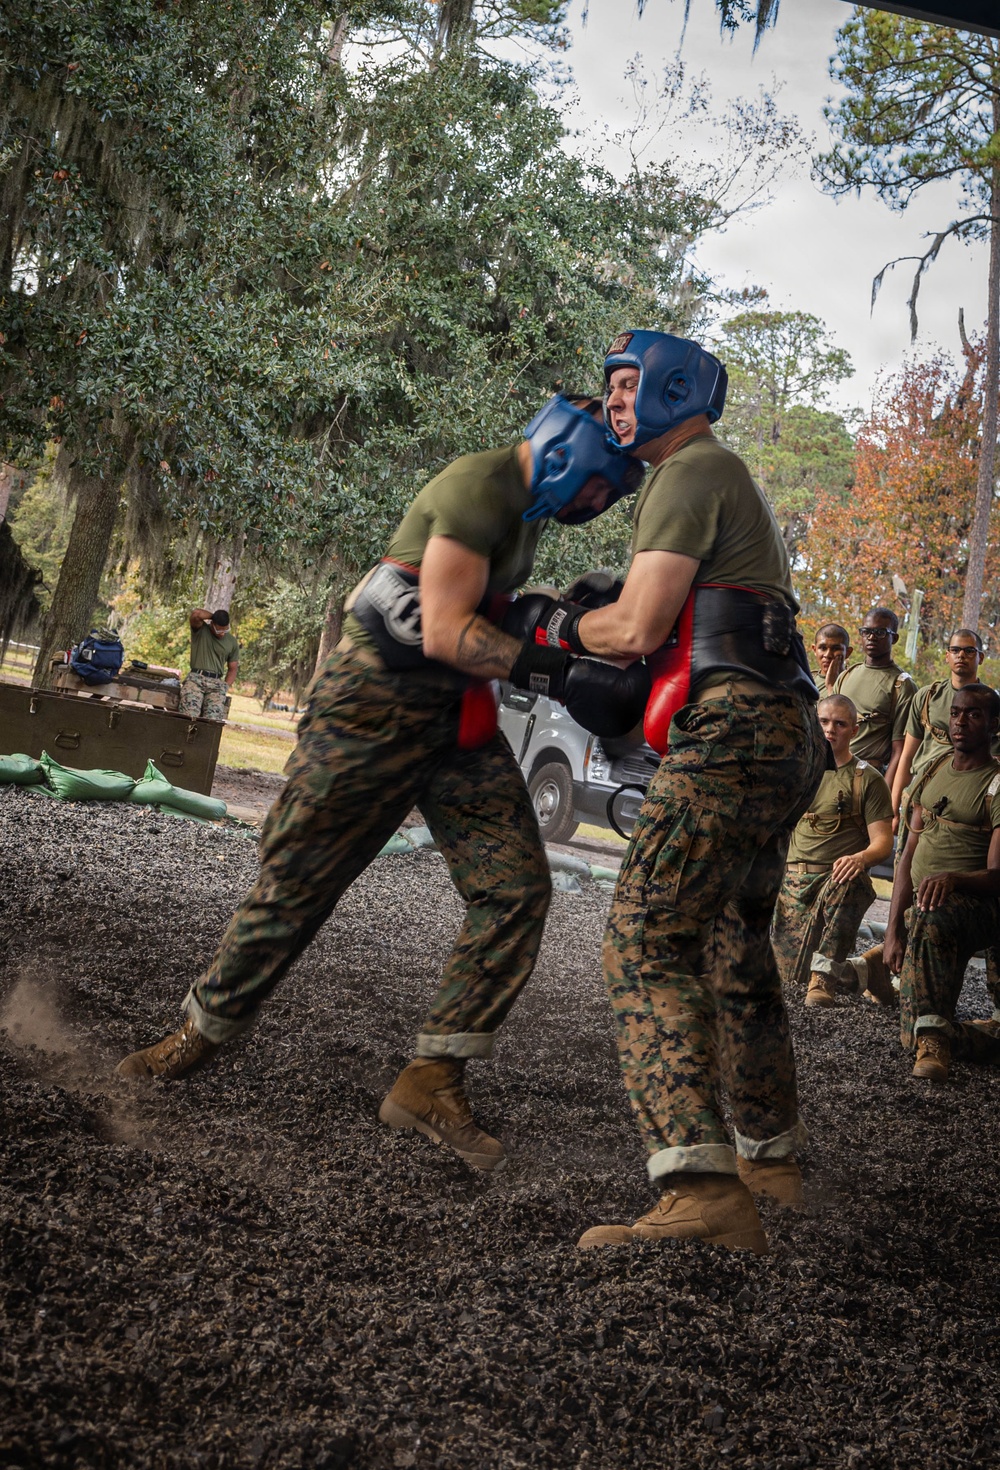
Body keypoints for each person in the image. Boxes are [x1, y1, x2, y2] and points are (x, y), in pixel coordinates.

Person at [117, 395, 647, 1173]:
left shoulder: (528, 511)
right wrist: (555, 667)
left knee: (516, 888)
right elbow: (439, 628)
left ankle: (430, 1079)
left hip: (454, 720)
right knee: (297, 884)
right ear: (572, 451)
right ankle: (196, 1035)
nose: (602, 500)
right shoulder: (480, 485)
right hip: (374, 705)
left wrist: (559, 621)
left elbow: (480, 610)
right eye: (605, 482)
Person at [505, 330, 826, 1254]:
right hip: (783, 729)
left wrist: (557, 628)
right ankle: (770, 1161)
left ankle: (698, 1188)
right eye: (608, 388)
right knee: (732, 943)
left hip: (734, 729)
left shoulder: (687, 472)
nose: (613, 401)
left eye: (625, 384)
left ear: (675, 388)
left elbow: (639, 627)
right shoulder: (720, 476)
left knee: (645, 936)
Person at [828, 685, 1000, 1083]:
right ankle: (912, 1008)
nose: (960, 722)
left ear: (994, 725)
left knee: (933, 914)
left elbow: (997, 877)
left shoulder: (995, 784)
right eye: (955, 713)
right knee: (924, 915)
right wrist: (892, 931)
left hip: (975, 908)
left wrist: (954, 879)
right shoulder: (934, 769)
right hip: (925, 907)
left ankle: (934, 1041)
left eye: (974, 715)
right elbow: (907, 855)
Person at [771, 695, 892, 1006]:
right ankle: (866, 970)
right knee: (790, 979)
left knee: (852, 881)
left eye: (840, 723)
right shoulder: (794, 771)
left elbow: (883, 842)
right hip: (791, 885)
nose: (830, 729)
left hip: (833, 884)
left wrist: (860, 858)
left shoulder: (867, 779)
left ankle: (824, 978)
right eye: (823, 721)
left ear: (854, 730)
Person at [890, 628, 988, 825]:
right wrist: (894, 808)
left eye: (969, 651)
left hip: (961, 802)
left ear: (981, 658)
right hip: (919, 791)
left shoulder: (990, 703)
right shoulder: (927, 696)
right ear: (947, 655)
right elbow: (907, 756)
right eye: (955, 650)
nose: (961, 655)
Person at [832, 608, 915, 787]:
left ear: (894, 638)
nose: (871, 637)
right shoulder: (846, 676)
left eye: (880, 632)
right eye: (866, 631)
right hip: (832, 772)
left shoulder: (901, 685)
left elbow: (900, 751)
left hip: (869, 779)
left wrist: (886, 792)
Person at [181, 608, 240, 722]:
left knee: (213, 721)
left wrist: (225, 686)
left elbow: (233, 668)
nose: (222, 633)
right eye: (219, 630)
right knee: (189, 716)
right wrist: (215, 616)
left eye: (225, 630)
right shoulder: (201, 630)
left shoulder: (232, 642)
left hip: (216, 684)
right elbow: (196, 614)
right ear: (212, 624)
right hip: (196, 680)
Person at [812, 621, 851, 699]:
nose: (828, 655)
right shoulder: (808, 681)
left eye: (836, 649)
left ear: (848, 652)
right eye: (823, 648)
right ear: (815, 650)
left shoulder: (853, 681)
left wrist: (832, 687)